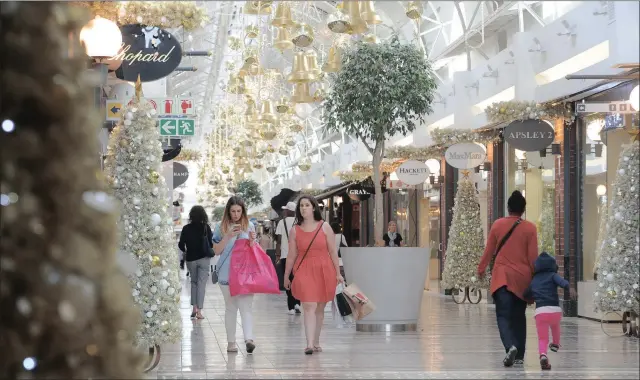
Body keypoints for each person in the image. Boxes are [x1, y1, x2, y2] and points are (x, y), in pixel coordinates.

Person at [477, 190, 538, 367]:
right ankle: (519, 354)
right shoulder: (530, 228)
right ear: (523, 209)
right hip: (522, 278)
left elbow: (489, 251)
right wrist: (535, 278)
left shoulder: (497, 225)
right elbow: (533, 257)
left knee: (503, 315)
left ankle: (510, 346)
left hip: (502, 277)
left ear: (508, 207)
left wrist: (481, 269)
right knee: (519, 316)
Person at [283, 196, 344, 355]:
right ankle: (309, 344)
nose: (303, 208)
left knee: (320, 309)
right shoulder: (294, 230)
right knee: (309, 305)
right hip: (303, 268)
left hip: (325, 269)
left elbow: (332, 252)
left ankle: (316, 341)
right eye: (301, 206)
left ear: (314, 208)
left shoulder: (325, 227)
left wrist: (338, 273)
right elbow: (291, 255)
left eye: (307, 205)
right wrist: (286, 275)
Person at [212, 196, 258, 354]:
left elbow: (253, 251)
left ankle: (249, 339)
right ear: (228, 211)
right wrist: (228, 236)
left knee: (246, 308)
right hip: (226, 274)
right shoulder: (220, 226)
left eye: (239, 211)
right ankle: (231, 343)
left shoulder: (249, 225)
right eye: (233, 211)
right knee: (231, 308)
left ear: (243, 211)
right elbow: (216, 250)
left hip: (245, 274)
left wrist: (253, 241)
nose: (236, 214)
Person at [524, 252, 570, 371]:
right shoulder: (553, 275)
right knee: (555, 326)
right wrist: (570, 288)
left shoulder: (535, 279)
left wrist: (530, 298)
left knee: (542, 338)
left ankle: (543, 355)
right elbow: (564, 283)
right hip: (555, 310)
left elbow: (527, 293)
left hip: (541, 312)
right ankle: (555, 343)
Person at [178, 205, 213, 320]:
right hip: (203, 259)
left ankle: (194, 308)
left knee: (193, 283)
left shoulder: (186, 228)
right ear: (203, 215)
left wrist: (187, 250)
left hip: (191, 259)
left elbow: (180, 245)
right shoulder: (205, 227)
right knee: (201, 285)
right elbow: (211, 244)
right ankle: (199, 311)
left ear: (191, 215)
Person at [276, 202, 301, 315]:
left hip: (285, 256)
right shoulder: (299, 222)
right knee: (297, 280)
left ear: (290, 211)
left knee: (288, 280)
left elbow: (279, 241)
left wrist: (277, 255)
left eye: (286, 210)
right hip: (298, 256)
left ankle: (291, 306)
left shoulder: (282, 222)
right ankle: (297, 303)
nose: (284, 211)